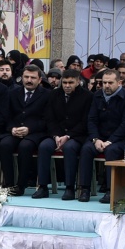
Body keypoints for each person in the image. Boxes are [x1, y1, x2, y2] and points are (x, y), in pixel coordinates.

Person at [78, 67, 125, 202]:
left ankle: (111, 190)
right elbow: (91, 120)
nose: (106, 86)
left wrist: (110, 140)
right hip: (99, 137)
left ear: (119, 83)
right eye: (104, 83)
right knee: (86, 149)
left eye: (110, 83)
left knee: (111, 151)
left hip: (120, 139)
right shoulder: (97, 96)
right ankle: (84, 189)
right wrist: (95, 139)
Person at [45, 67, 92, 200]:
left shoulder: (87, 96)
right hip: (56, 134)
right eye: (64, 82)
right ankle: (42, 186)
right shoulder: (54, 94)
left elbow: (85, 121)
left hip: (77, 135)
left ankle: (70, 187)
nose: (67, 85)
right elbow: (50, 118)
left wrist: (68, 136)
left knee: (70, 147)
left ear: (78, 82)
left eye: (70, 83)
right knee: (44, 146)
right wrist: (56, 136)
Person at [7, 63, 53, 195]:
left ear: (39, 80)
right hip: (14, 131)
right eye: (26, 77)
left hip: (35, 133)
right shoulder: (12, 93)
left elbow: (47, 120)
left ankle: (21, 185)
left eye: (33, 78)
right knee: (5, 144)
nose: (29, 80)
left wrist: (29, 129)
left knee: (25, 146)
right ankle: (9, 184)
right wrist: (12, 129)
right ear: (21, 78)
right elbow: (6, 115)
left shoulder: (47, 95)